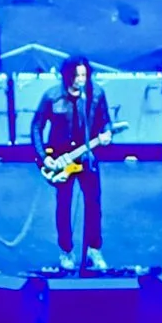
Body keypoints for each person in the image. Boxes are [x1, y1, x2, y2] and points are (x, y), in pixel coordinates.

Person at [33, 57, 114, 271]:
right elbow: (36, 127)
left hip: (87, 157)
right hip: (61, 158)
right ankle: (66, 251)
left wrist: (106, 133)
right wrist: (43, 157)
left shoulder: (96, 94)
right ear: (67, 76)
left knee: (94, 204)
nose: (81, 79)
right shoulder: (52, 96)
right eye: (77, 75)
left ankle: (94, 250)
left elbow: (105, 119)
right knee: (64, 206)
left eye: (84, 75)